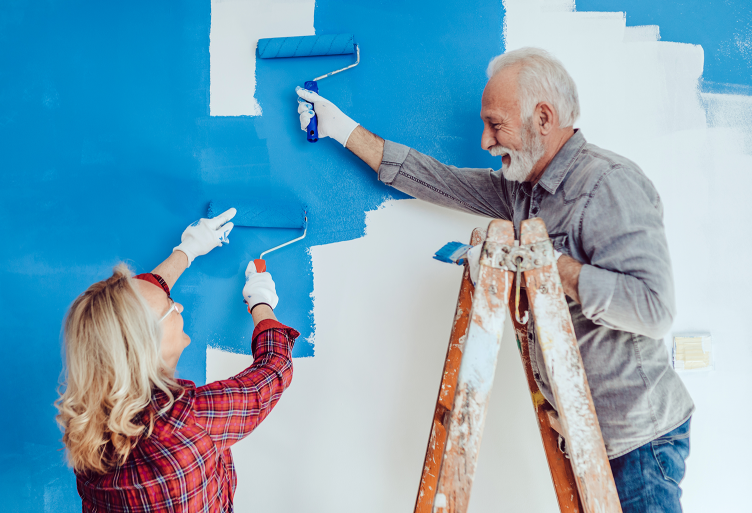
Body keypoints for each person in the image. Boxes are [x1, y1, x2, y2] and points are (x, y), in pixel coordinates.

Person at [295, 47, 694, 511]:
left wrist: (546, 265)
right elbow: (437, 179)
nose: (485, 140)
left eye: (495, 124)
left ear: (542, 118)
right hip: (585, 436)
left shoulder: (609, 185)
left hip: (638, 442)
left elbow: (653, 309)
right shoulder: (522, 193)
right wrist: (340, 128)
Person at [55, 208, 299, 512]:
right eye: (171, 306)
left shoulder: (89, 428)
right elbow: (273, 370)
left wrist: (187, 250)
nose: (180, 306)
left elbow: (133, 309)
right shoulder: (187, 420)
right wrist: (261, 302)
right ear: (149, 345)